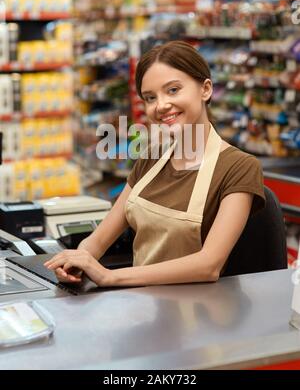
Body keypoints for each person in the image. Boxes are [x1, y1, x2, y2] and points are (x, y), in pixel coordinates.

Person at [44, 40, 265, 287]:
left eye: (173, 90)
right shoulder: (151, 159)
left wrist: (110, 276)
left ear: (205, 89)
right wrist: (78, 261)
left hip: (200, 315)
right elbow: (97, 241)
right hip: (143, 306)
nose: (160, 106)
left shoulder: (239, 167)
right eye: (150, 97)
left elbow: (209, 265)